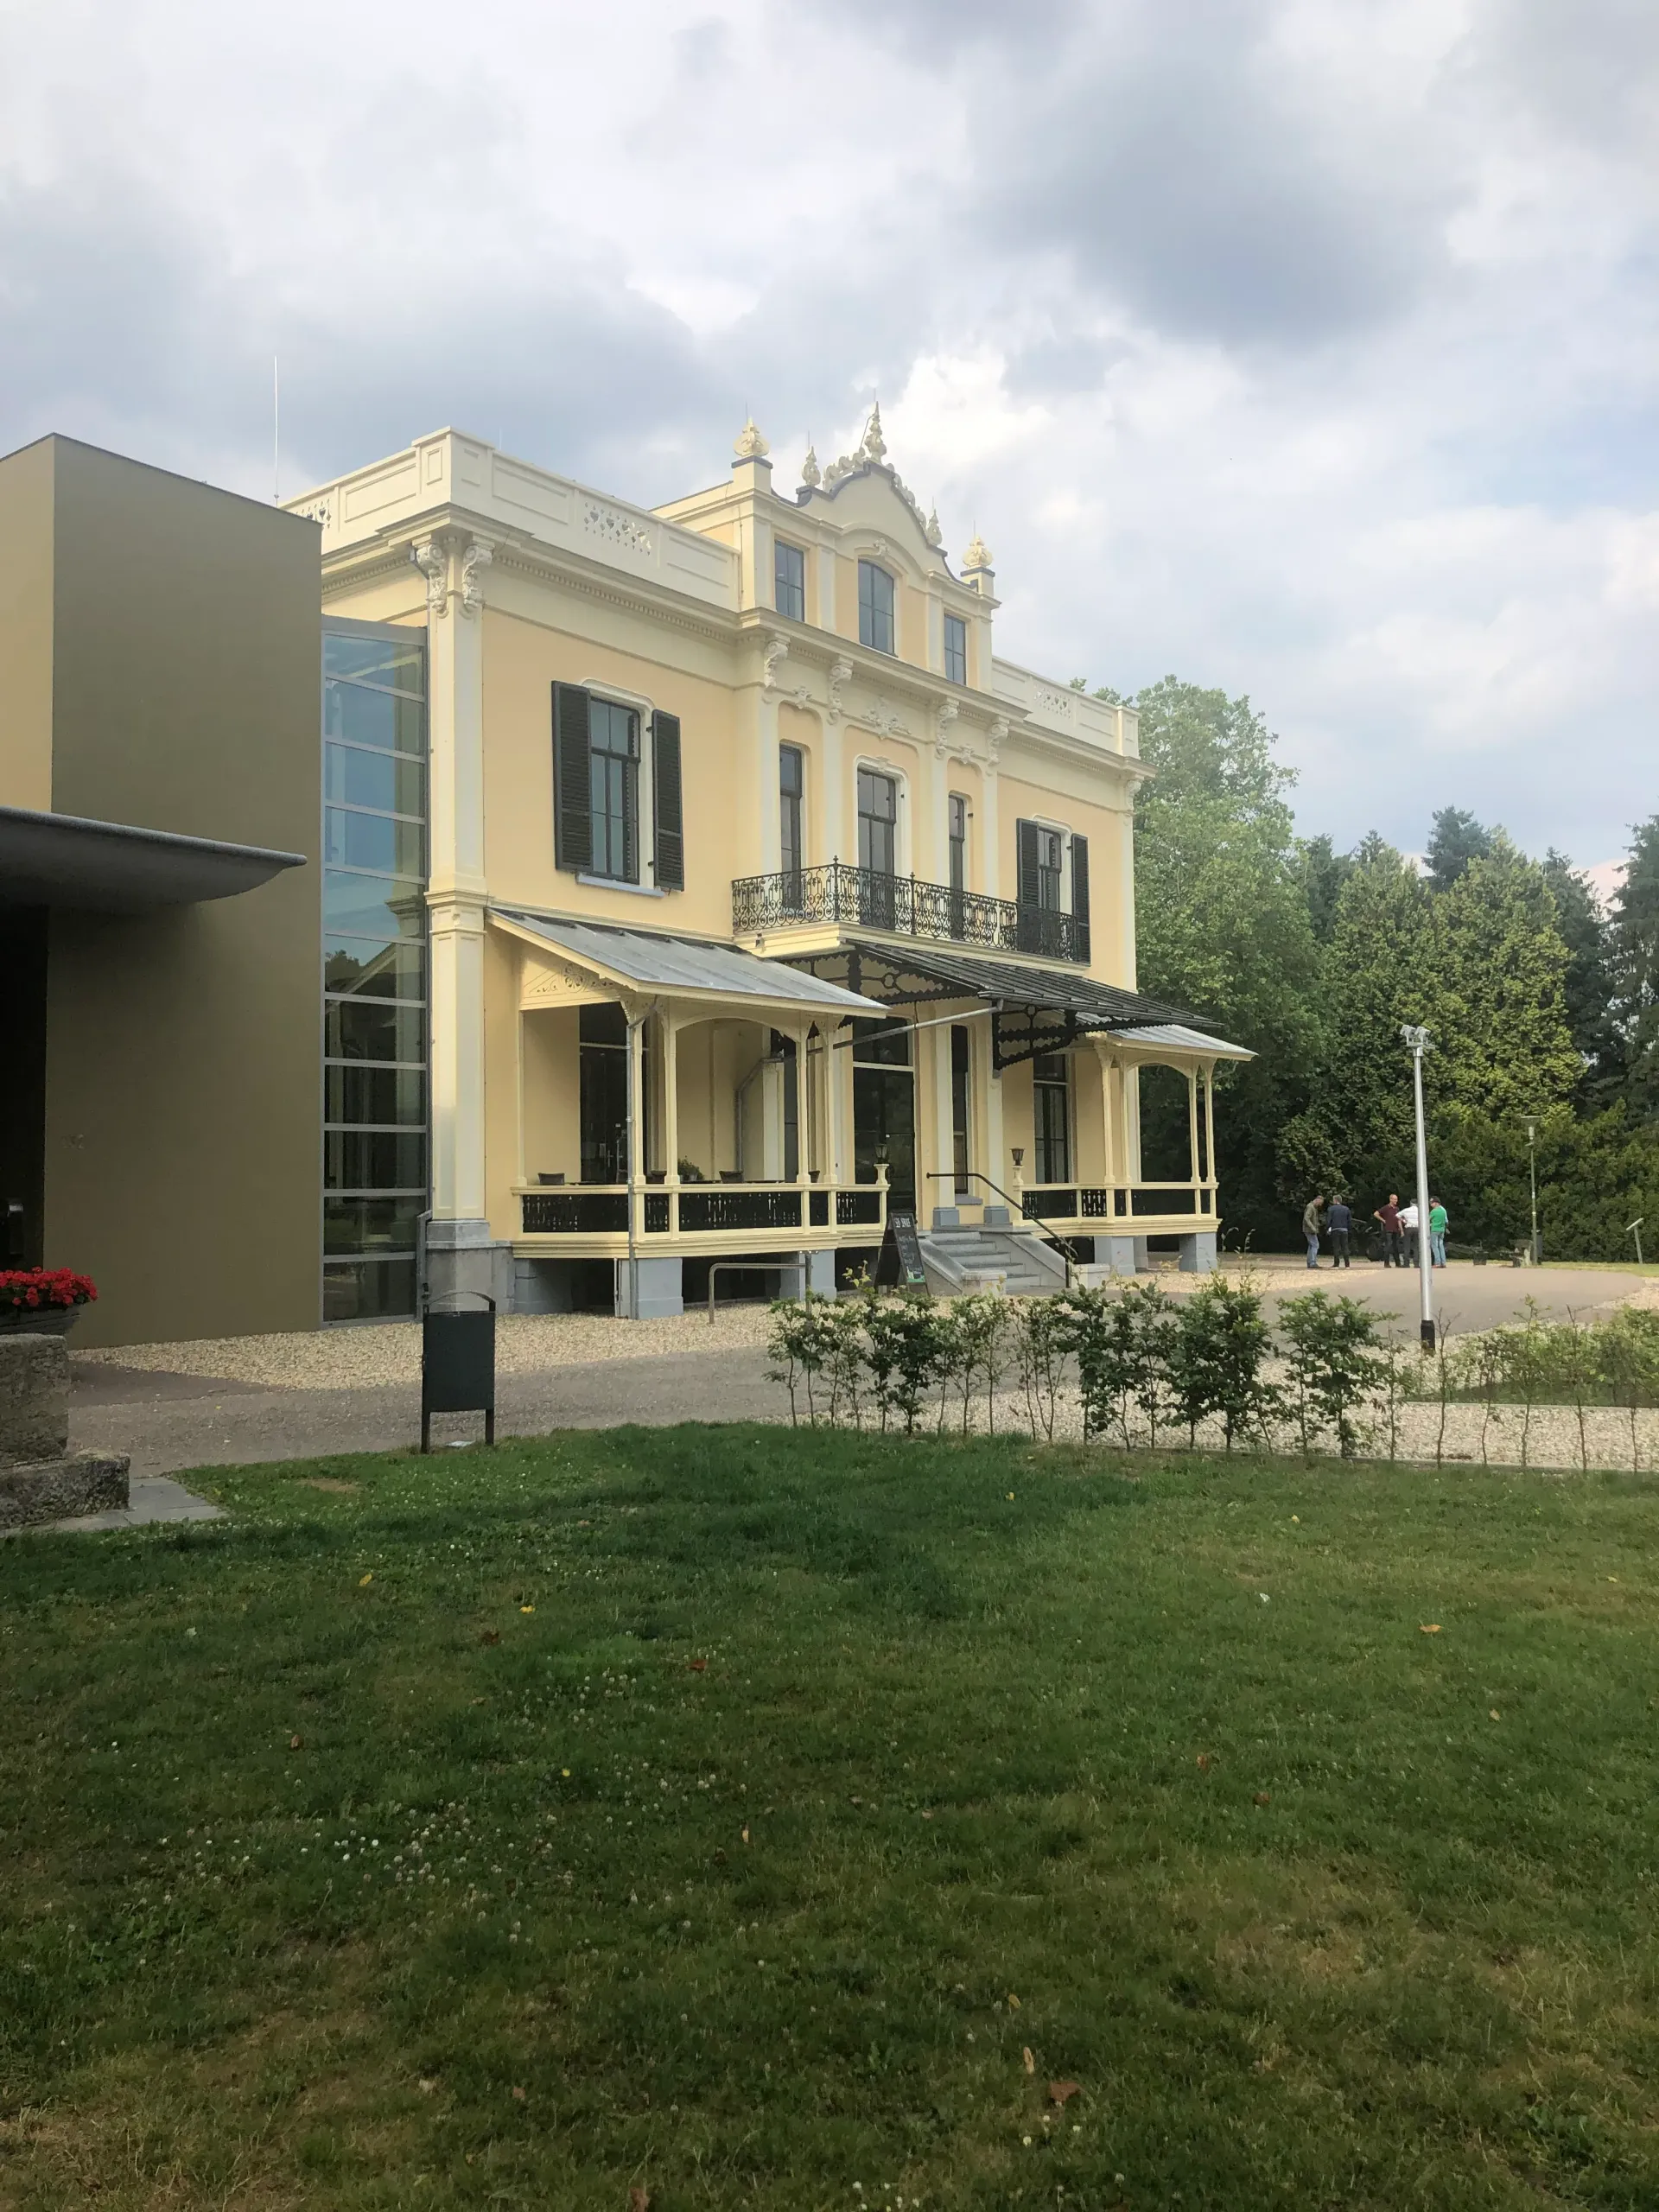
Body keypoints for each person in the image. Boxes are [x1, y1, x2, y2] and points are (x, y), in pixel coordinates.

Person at [1374, 1192, 1404, 1268]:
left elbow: (1398, 1219)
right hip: (1388, 1229)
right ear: (1391, 1200)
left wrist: (1401, 1229)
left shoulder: (1397, 1209)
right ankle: (1386, 1263)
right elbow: (1376, 1214)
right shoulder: (1386, 1208)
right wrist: (1383, 1220)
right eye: (1395, 1199)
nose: (1396, 1201)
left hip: (1395, 1229)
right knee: (1388, 1245)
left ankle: (1398, 1263)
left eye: (1396, 1199)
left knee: (1396, 1246)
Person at [1326, 1193, 1353, 1267]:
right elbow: (1349, 1221)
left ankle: (1336, 1263)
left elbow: (1329, 1220)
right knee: (1345, 1246)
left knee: (1336, 1247)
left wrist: (1328, 1228)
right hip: (1344, 1230)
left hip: (1335, 1229)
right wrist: (1349, 1229)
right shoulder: (1346, 1209)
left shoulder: (1331, 1209)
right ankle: (1347, 1264)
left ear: (1335, 1200)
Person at [1301, 1193, 1325, 1268]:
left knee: (1311, 1245)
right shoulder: (1311, 1207)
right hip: (1309, 1230)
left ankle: (1310, 1262)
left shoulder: (1313, 1207)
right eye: (1320, 1203)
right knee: (1315, 1245)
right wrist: (1313, 1228)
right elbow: (1306, 1218)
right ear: (1317, 1200)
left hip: (1309, 1230)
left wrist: (1317, 1225)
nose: (1320, 1205)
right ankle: (1313, 1262)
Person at [1399, 1198, 1421, 1268]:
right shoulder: (1420, 1210)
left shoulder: (1406, 1210)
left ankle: (1406, 1263)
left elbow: (1397, 1216)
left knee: (1407, 1246)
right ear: (1417, 1204)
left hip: (1408, 1228)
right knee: (1416, 1246)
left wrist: (1404, 1220)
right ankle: (1416, 1264)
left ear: (1411, 1203)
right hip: (1417, 1229)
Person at [1428, 1196, 1448, 1268]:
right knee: (1441, 1246)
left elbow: (1428, 1219)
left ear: (1436, 1203)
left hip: (1434, 1230)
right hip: (1442, 1230)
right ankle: (1443, 1262)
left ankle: (1437, 1263)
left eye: (1432, 1203)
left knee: (1434, 1246)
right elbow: (1445, 1221)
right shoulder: (1443, 1211)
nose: (1431, 1204)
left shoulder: (1433, 1211)